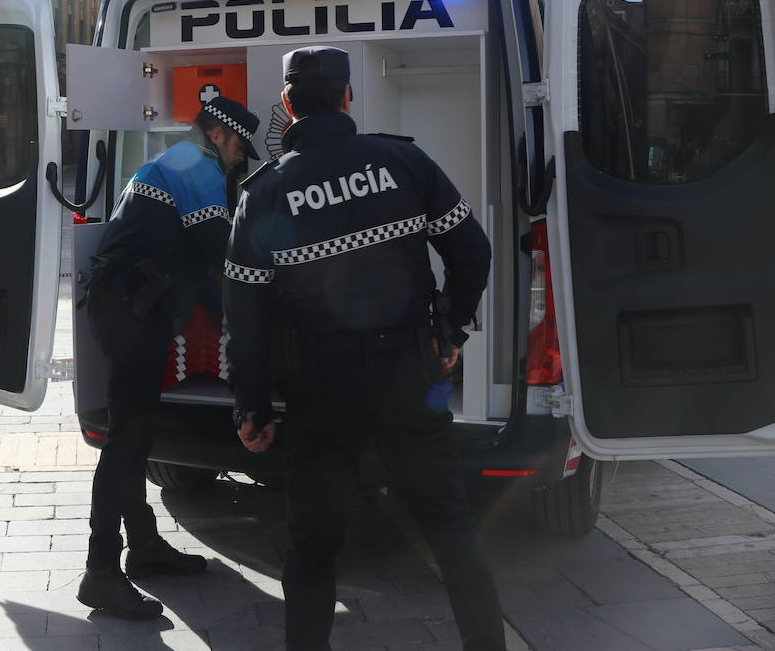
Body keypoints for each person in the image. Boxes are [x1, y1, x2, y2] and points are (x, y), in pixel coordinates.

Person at [225, 46, 504, 651]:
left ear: (288, 105)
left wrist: (251, 407)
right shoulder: (402, 161)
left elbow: (243, 315)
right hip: (408, 375)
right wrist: (449, 331)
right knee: (450, 527)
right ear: (349, 96)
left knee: (313, 544)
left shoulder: (266, 191)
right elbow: (472, 252)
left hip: (321, 391)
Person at [77, 95, 261, 619]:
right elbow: (220, 254)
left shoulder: (171, 162)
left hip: (128, 306)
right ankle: (100, 572)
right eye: (239, 150)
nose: (239, 161)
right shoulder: (194, 166)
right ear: (221, 136)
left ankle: (145, 547)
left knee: (135, 435)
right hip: (129, 310)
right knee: (126, 441)